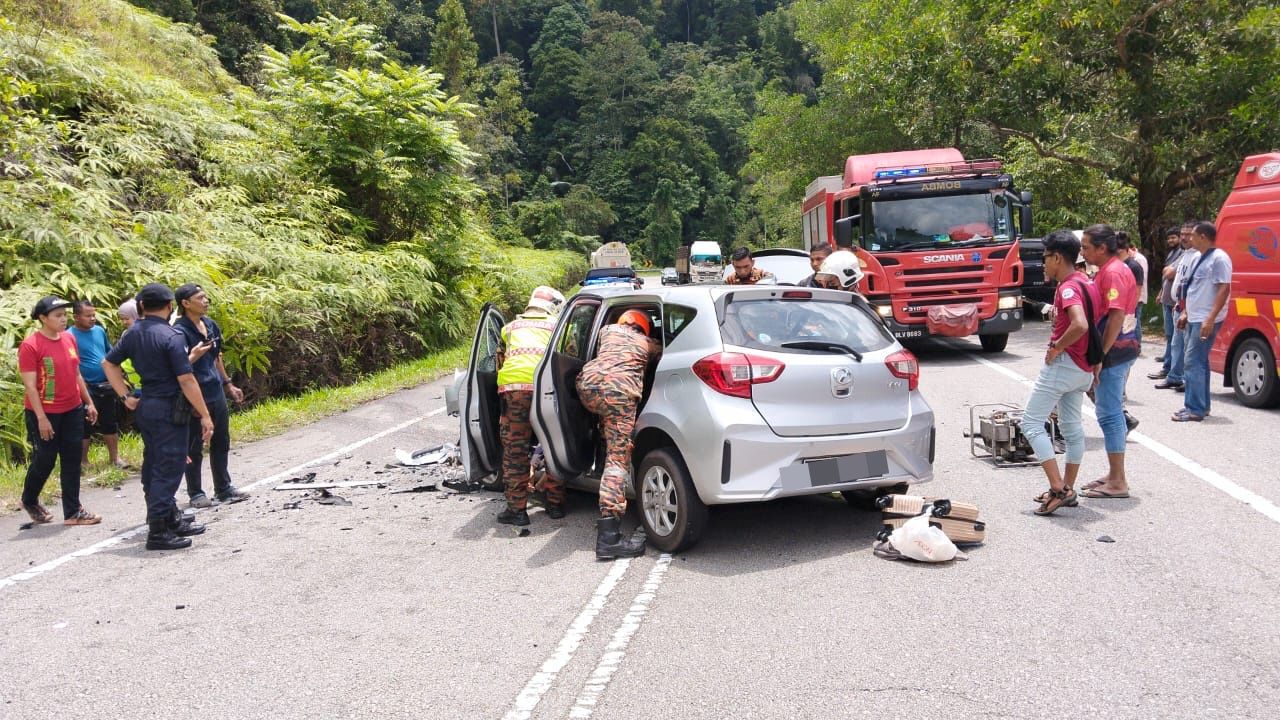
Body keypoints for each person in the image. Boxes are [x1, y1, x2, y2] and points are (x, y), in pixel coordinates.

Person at [103, 284, 214, 551]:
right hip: (169, 407)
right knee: (170, 467)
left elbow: (108, 363)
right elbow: (186, 379)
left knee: (154, 462)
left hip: (147, 405)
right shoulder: (171, 335)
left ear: (141, 306)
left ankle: (169, 518)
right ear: (170, 306)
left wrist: (124, 395)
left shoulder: (132, 333)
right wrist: (205, 414)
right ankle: (158, 530)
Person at [1022, 231, 1102, 515]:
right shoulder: (1088, 282)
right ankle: (1067, 488)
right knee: (1071, 428)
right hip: (1083, 367)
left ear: (1057, 257)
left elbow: (1080, 324)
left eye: (1044, 258)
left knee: (1030, 424)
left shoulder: (1068, 288)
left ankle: (1058, 488)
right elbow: (1095, 326)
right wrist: (1096, 361)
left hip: (1065, 364)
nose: (1043, 264)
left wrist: (1057, 347)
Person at [576, 310, 662, 560]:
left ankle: (601, 443)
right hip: (620, 391)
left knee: (606, 421)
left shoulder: (606, 331)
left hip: (588, 385)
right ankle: (609, 537)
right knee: (617, 460)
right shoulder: (648, 343)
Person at [17, 297, 102, 526]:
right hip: (45, 412)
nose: (63, 319)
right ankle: (29, 499)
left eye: (65, 314)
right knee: (45, 458)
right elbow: (30, 387)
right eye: (58, 315)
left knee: (72, 459)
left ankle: (73, 512)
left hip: (72, 409)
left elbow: (76, 374)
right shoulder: (31, 346)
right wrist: (41, 418)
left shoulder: (69, 338)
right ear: (43, 318)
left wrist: (89, 402)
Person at [494, 286, 567, 527]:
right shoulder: (557, 326)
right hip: (547, 390)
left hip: (514, 392)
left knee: (515, 451)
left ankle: (517, 511)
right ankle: (555, 504)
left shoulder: (509, 328)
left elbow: (499, 361)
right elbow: (569, 357)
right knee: (554, 446)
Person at [173, 284, 249, 507]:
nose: (206, 301)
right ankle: (196, 493)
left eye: (206, 297)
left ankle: (223, 487)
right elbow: (178, 367)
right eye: (200, 298)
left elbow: (217, 357)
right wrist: (193, 356)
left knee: (221, 440)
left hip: (215, 389)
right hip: (193, 394)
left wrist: (228, 383)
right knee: (194, 445)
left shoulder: (210, 325)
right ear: (185, 303)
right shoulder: (179, 332)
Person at [1079, 225, 1140, 500]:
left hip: (1115, 351)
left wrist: (1100, 355)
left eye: (1086, 247)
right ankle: (1114, 474)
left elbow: (1115, 316)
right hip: (1117, 349)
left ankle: (1118, 481)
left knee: (1110, 413)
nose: (1083, 252)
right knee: (1109, 411)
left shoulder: (1114, 272)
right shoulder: (1110, 269)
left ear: (1102, 248)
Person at [1173, 221, 1232, 422]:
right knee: (1199, 362)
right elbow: (1195, 289)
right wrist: (1186, 312)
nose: (1189, 238)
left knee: (1192, 362)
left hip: (1205, 319)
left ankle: (1194, 409)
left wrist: (1210, 318)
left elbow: (1224, 288)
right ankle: (1201, 405)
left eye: (1193, 235)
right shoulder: (1199, 257)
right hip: (1195, 316)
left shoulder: (1219, 259)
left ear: (1203, 237)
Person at [69, 301, 126, 469]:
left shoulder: (99, 331)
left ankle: (115, 458)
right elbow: (71, 364)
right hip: (86, 387)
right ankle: (83, 461)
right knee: (85, 424)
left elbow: (109, 353)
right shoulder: (69, 335)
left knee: (110, 421)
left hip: (106, 384)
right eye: (88, 316)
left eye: (94, 315)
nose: (92, 318)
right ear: (76, 317)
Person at [1157, 223, 1202, 391]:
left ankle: (1187, 381)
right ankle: (1174, 376)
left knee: (1189, 349)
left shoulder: (1197, 256)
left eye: (1188, 234)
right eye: (1182, 234)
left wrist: (1186, 309)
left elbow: (1195, 286)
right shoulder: (1185, 254)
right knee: (1177, 345)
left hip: (1188, 309)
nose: (1184, 237)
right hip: (1179, 306)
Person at [1150, 225, 1188, 377]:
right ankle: (1168, 363)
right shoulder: (1172, 253)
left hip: (1175, 303)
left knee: (1174, 337)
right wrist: (1160, 293)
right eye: (1169, 238)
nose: (1171, 240)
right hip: (1167, 299)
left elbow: (1170, 273)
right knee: (1169, 335)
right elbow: (1165, 276)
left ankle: (1170, 369)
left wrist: (1167, 270)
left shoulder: (1183, 254)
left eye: (1173, 237)